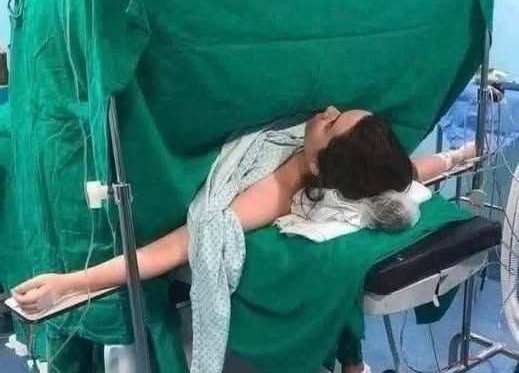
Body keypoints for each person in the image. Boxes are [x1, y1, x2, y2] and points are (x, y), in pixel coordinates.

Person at [13, 107, 476, 373]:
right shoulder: (352, 164)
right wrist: (459, 155)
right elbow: (412, 171)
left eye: (332, 123)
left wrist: (69, 282)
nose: (328, 110)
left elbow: (171, 249)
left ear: (321, 163)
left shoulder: (272, 193)